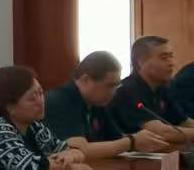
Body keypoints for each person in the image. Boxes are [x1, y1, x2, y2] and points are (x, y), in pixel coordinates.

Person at [42, 50, 170, 162]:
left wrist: (143, 140)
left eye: (116, 86)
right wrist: (131, 142)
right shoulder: (60, 101)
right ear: (85, 80)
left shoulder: (97, 102)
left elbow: (116, 139)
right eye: (109, 86)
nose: (113, 92)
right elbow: (79, 150)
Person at [109, 36, 194, 147]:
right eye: (164, 58)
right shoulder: (128, 91)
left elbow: (183, 121)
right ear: (140, 62)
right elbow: (161, 131)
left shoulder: (162, 87)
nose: (171, 63)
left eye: (171, 56)